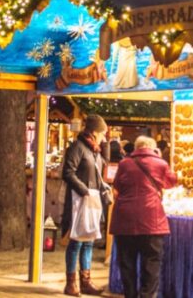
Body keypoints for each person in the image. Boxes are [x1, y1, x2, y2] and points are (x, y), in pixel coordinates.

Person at [110, 136, 178, 298]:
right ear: (153, 149)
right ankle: (147, 296)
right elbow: (172, 182)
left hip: (125, 220)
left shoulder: (124, 163)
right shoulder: (161, 164)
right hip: (151, 221)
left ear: (136, 148)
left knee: (127, 265)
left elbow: (117, 185)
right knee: (151, 264)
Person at [61, 114, 111, 296]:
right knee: (76, 242)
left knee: (88, 242)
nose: (104, 137)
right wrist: (84, 190)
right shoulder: (78, 148)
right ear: (94, 132)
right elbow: (68, 172)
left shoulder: (94, 151)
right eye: (102, 134)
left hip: (92, 202)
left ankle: (86, 282)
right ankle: (71, 283)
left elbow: (98, 173)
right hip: (80, 201)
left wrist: (102, 187)